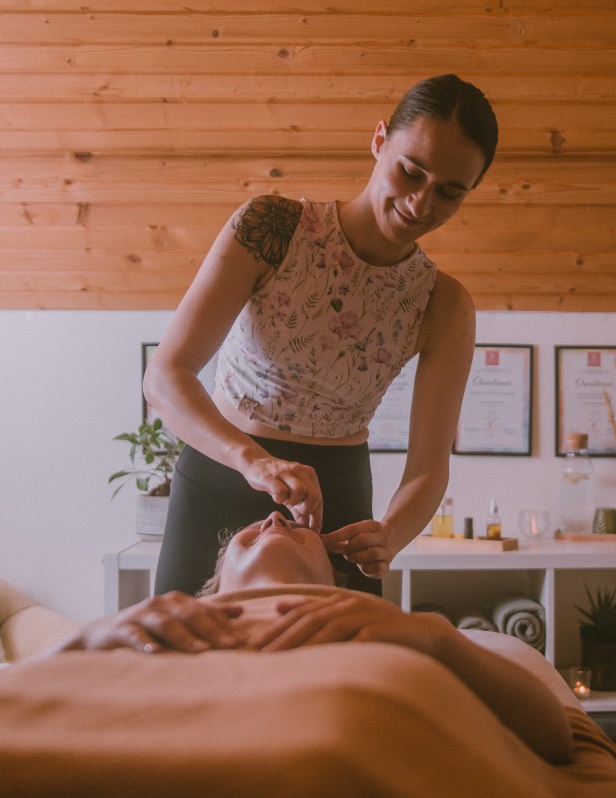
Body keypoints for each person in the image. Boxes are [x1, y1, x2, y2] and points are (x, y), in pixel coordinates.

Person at [143, 74, 498, 597]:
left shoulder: (444, 304)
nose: (421, 204)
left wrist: (392, 534)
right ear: (379, 140)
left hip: (338, 503)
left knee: (337, 650)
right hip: (224, 471)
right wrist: (252, 461)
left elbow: (428, 469)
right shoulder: (271, 228)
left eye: (449, 192)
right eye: (410, 172)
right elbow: (165, 377)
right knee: (182, 645)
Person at [53, 510, 573, 765]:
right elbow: (25, 702)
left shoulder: (394, 633)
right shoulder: (160, 627)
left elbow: (554, 738)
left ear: (335, 582)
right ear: (216, 584)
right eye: (251, 532)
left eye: (295, 529)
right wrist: (88, 640)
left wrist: (437, 638)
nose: (274, 517)